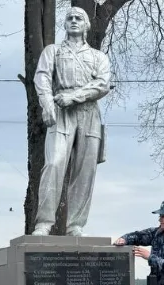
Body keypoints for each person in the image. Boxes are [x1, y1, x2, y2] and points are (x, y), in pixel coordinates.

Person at [31, 7, 112, 237]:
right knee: (54, 163)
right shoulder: (52, 51)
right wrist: (47, 105)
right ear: (64, 24)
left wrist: (75, 96)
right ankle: (44, 222)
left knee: (84, 171)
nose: (74, 21)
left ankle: (76, 224)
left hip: (88, 113)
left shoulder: (98, 57)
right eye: (70, 18)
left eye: (79, 18)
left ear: (86, 25)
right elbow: (43, 77)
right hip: (61, 111)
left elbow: (102, 84)